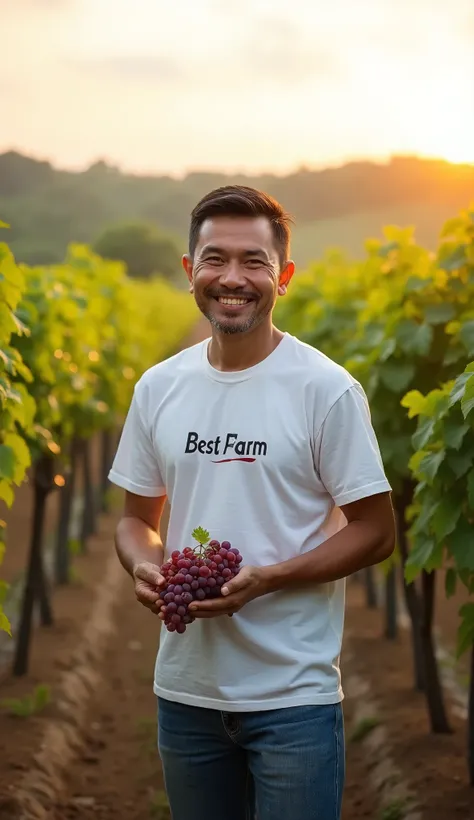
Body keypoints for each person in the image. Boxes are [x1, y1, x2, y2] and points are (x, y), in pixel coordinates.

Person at [108, 185, 395, 820]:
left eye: (254, 262)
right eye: (214, 259)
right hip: (185, 695)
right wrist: (145, 566)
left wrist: (267, 579)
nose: (232, 278)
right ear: (189, 272)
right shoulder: (158, 388)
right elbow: (135, 520)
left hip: (293, 698)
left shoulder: (326, 391)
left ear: (283, 276)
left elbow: (376, 532)